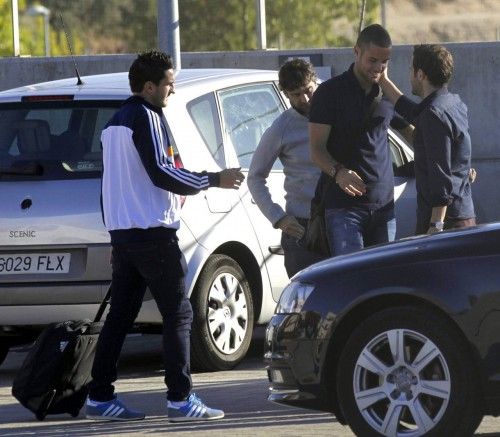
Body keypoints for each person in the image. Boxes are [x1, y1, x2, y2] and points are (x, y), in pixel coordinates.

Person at [85, 50, 244, 422]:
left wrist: (115, 237)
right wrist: (213, 179)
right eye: (169, 84)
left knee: (120, 318)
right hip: (153, 236)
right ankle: (180, 400)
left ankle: (99, 397)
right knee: (179, 314)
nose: (172, 90)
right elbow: (163, 171)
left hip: (126, 237)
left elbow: (109, 186)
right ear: (149, 86)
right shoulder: (147, 116)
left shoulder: (113, 123)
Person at [308, 24, 413, 256]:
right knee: (352, 282)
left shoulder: (387, 94)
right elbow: (316, 151)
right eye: (372, 60)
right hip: (345, 209)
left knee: (384, 284)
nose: (378, 68)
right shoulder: (329, 93)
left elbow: (416, 133)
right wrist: (339, 173)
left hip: (384, 207)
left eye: (384, 62)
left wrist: (453, 163)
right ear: (356, 52)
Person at [380, 44, 476, 234]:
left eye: (411, 70)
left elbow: (440, 174)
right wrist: (383, 81)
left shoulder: (433, 115)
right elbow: (412, 112)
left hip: (445, 222)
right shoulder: (452, 103)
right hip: (461, 213)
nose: (410, 75)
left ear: (421, 74)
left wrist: (435, 225)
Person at [247, 58, 325, 277]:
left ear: (316, 82)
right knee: (305, 302)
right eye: (296, 94)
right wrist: (278, 217)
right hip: (302, 226)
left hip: (340, 219)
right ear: (286, 94)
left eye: (308, 90)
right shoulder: (282, 127)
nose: (305, 99)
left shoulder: (334, 114)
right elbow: (254, 177)